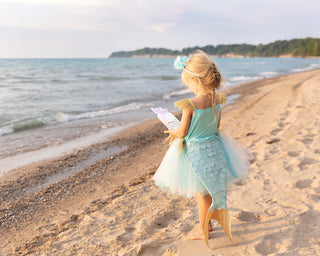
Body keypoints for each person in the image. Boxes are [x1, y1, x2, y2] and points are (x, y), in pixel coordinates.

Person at [152, 50, 253, 248]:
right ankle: (208, 224)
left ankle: (202, 229)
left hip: (196, 152)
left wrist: (173, 132)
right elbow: (216, 128)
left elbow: (182, 132)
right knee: (209, 189)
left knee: (201, 193)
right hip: (214, 147)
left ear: (194, 80)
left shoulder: (189, 104)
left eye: (187, 81)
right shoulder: (217, 100)